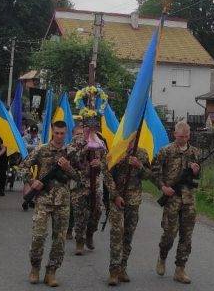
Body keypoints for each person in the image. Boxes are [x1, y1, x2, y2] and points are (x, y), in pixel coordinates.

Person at [20, 120, 81, 287]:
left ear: (66, 133)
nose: (60, 136)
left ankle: (51, 272)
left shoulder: (71, 153)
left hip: (63, 202)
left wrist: (68, 167)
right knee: (38, 236)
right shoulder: (41, 149)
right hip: (43, 200)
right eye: (57, 133)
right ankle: (35, 268)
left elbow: (80, 177)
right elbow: (23, 166)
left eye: (62, 133)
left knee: (59, 240)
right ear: (52, 132)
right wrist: (32, 181)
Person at [154, 121, 201, 284]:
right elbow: (155, 172)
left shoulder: (194, 152)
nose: (183, 139)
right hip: (172, 198)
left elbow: (197, 177)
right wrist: (163, 187)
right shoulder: (165, 151)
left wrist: (196, 171)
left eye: (186, 136)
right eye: (181, 136)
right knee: (169, 234)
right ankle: (162, 256)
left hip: (188, 199)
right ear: (175, 135)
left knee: (186, 235)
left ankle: (180, 269)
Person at [104, 136, 151, 286]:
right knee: (117, 234)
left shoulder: (142, 154)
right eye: (128, 139)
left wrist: (139, 166)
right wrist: (115, 195)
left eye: (134, 139)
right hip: (117, 200)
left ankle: (122, 267)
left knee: (128, 235)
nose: (131, 142)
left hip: (133, 200)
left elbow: (149, 176)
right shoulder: (115, 151)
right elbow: (107, 176)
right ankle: (113, 270)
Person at [67, 123, 105, 256]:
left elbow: (107, 160)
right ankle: (79, 241)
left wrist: (100, 164)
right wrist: (85, 147)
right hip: (80, 184)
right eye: (79, 133)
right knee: (79, 214)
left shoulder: (99, 141)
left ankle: (90, 233)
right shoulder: (74, 143)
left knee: (98, 211)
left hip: (95, 184)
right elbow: (73, 158)